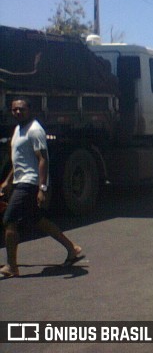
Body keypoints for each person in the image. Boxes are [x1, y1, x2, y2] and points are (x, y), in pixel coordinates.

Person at [0, 98, 83, 278]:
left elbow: (43, 159)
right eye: (14, 110)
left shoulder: (35, 130)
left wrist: (42, 188)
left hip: (30, 182)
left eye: (21, 109)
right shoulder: (18, 129)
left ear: (29, 109)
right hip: (20, 180)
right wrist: (8, 181)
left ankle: (11, 266)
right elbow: (19, 160)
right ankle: (72, 248)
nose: (17, 112)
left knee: (9, 220)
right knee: (36, 219)